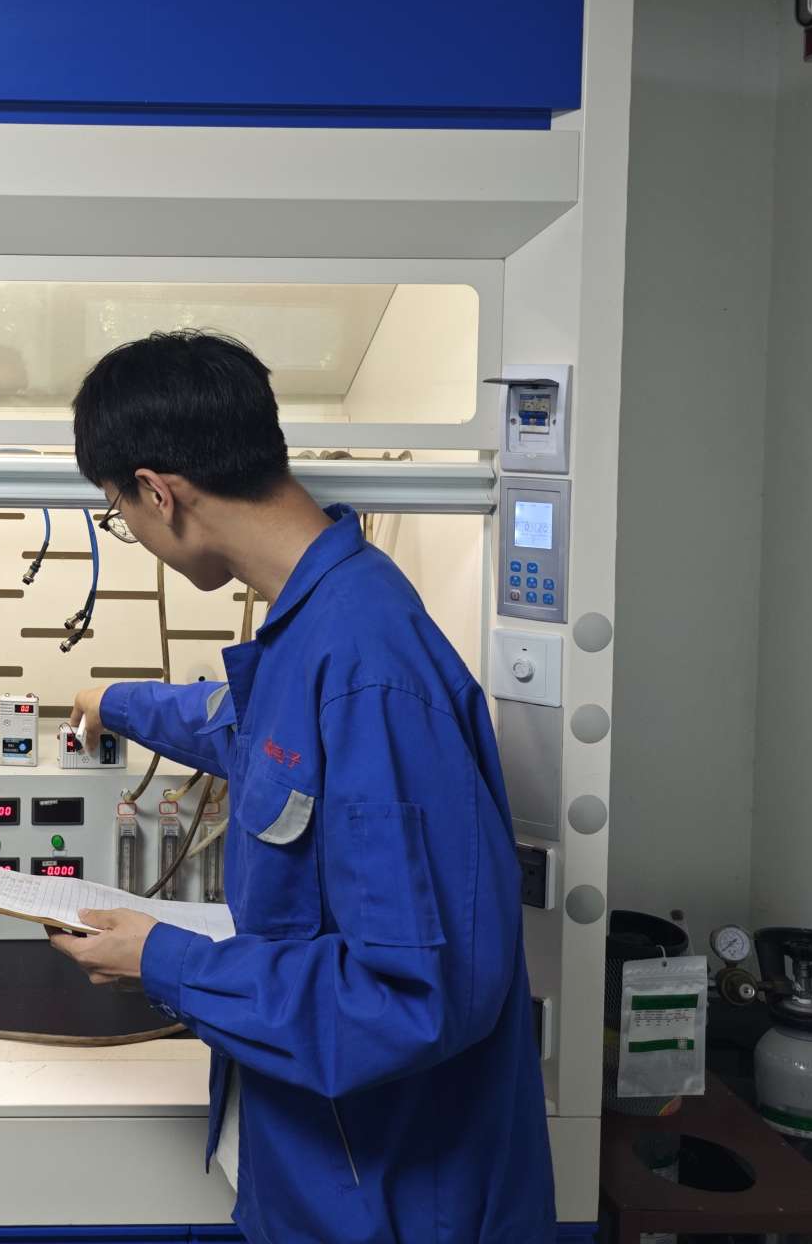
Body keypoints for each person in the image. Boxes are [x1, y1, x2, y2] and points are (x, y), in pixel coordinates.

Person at [50, 332, 554, 1243]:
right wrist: (112, 701)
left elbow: (412, 1001)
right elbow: (245, 726)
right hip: (326, 1169)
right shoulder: (324, 611)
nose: (137, 533)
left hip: (393, 1203)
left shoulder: (368, 670)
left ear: (159, 492)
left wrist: (163, 960)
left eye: (120, 514)